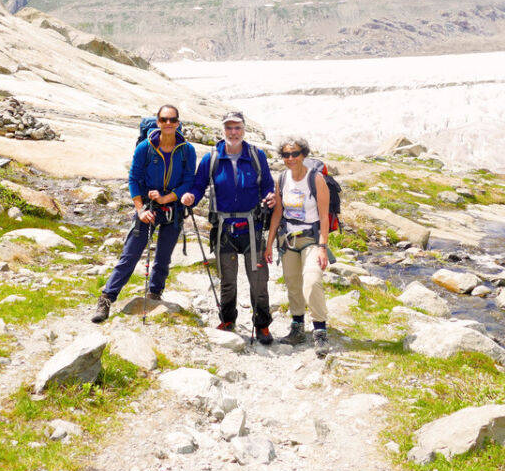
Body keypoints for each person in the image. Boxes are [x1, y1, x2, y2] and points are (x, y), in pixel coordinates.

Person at [92, 105, 196, 323]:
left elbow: (188, 181)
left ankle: (154, 293)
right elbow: (133, 179)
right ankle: (107, 297)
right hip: (148, 208)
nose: (168, 124)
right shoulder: (145, 148)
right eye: (164, 119)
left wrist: (166, 199)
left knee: (164, 257)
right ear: (158, 122)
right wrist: (140, 210)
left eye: (172, 120)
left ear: (178, 123)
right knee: (130, 254)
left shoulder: (187, 150)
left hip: (173, 208)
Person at [181, 111, 276, 344]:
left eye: (238, 128)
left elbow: (267, 184)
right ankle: (227, 319)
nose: (234, 133)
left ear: (244, 130)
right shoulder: (211, 158)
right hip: (223, 228)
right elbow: (199, 185)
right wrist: (190, 196)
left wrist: (270, 196)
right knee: (227, 279)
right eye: (229, 128)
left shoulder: (256, 155)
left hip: (252, 227)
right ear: (222, 131)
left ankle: (262, 324)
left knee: (258, 279)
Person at [263, 137, 331, 357]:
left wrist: (323, 247)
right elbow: (277, 213)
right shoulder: (282, 178)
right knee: (293, 283)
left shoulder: (316, 179)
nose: (290, 158)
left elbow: (324, 215)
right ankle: (297, 327)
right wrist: (269, 243)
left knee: (311, 281)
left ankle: (320, 330)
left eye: (295, 154)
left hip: (311, 238)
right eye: (286, 155)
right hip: (288, 239)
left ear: (304, 154)